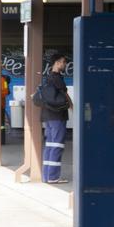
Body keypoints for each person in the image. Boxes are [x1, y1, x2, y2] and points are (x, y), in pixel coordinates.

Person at [38, 53, 72, 184]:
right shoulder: (57, 78)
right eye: (63, 62)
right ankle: (53, 177)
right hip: (57, 116)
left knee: (50, 145)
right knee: (57, 146)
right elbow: (65, 94)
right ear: (57, 63)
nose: (65, 64)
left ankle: (46, 176)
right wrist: (72, 106)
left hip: (48, 116)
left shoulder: (47, 78)